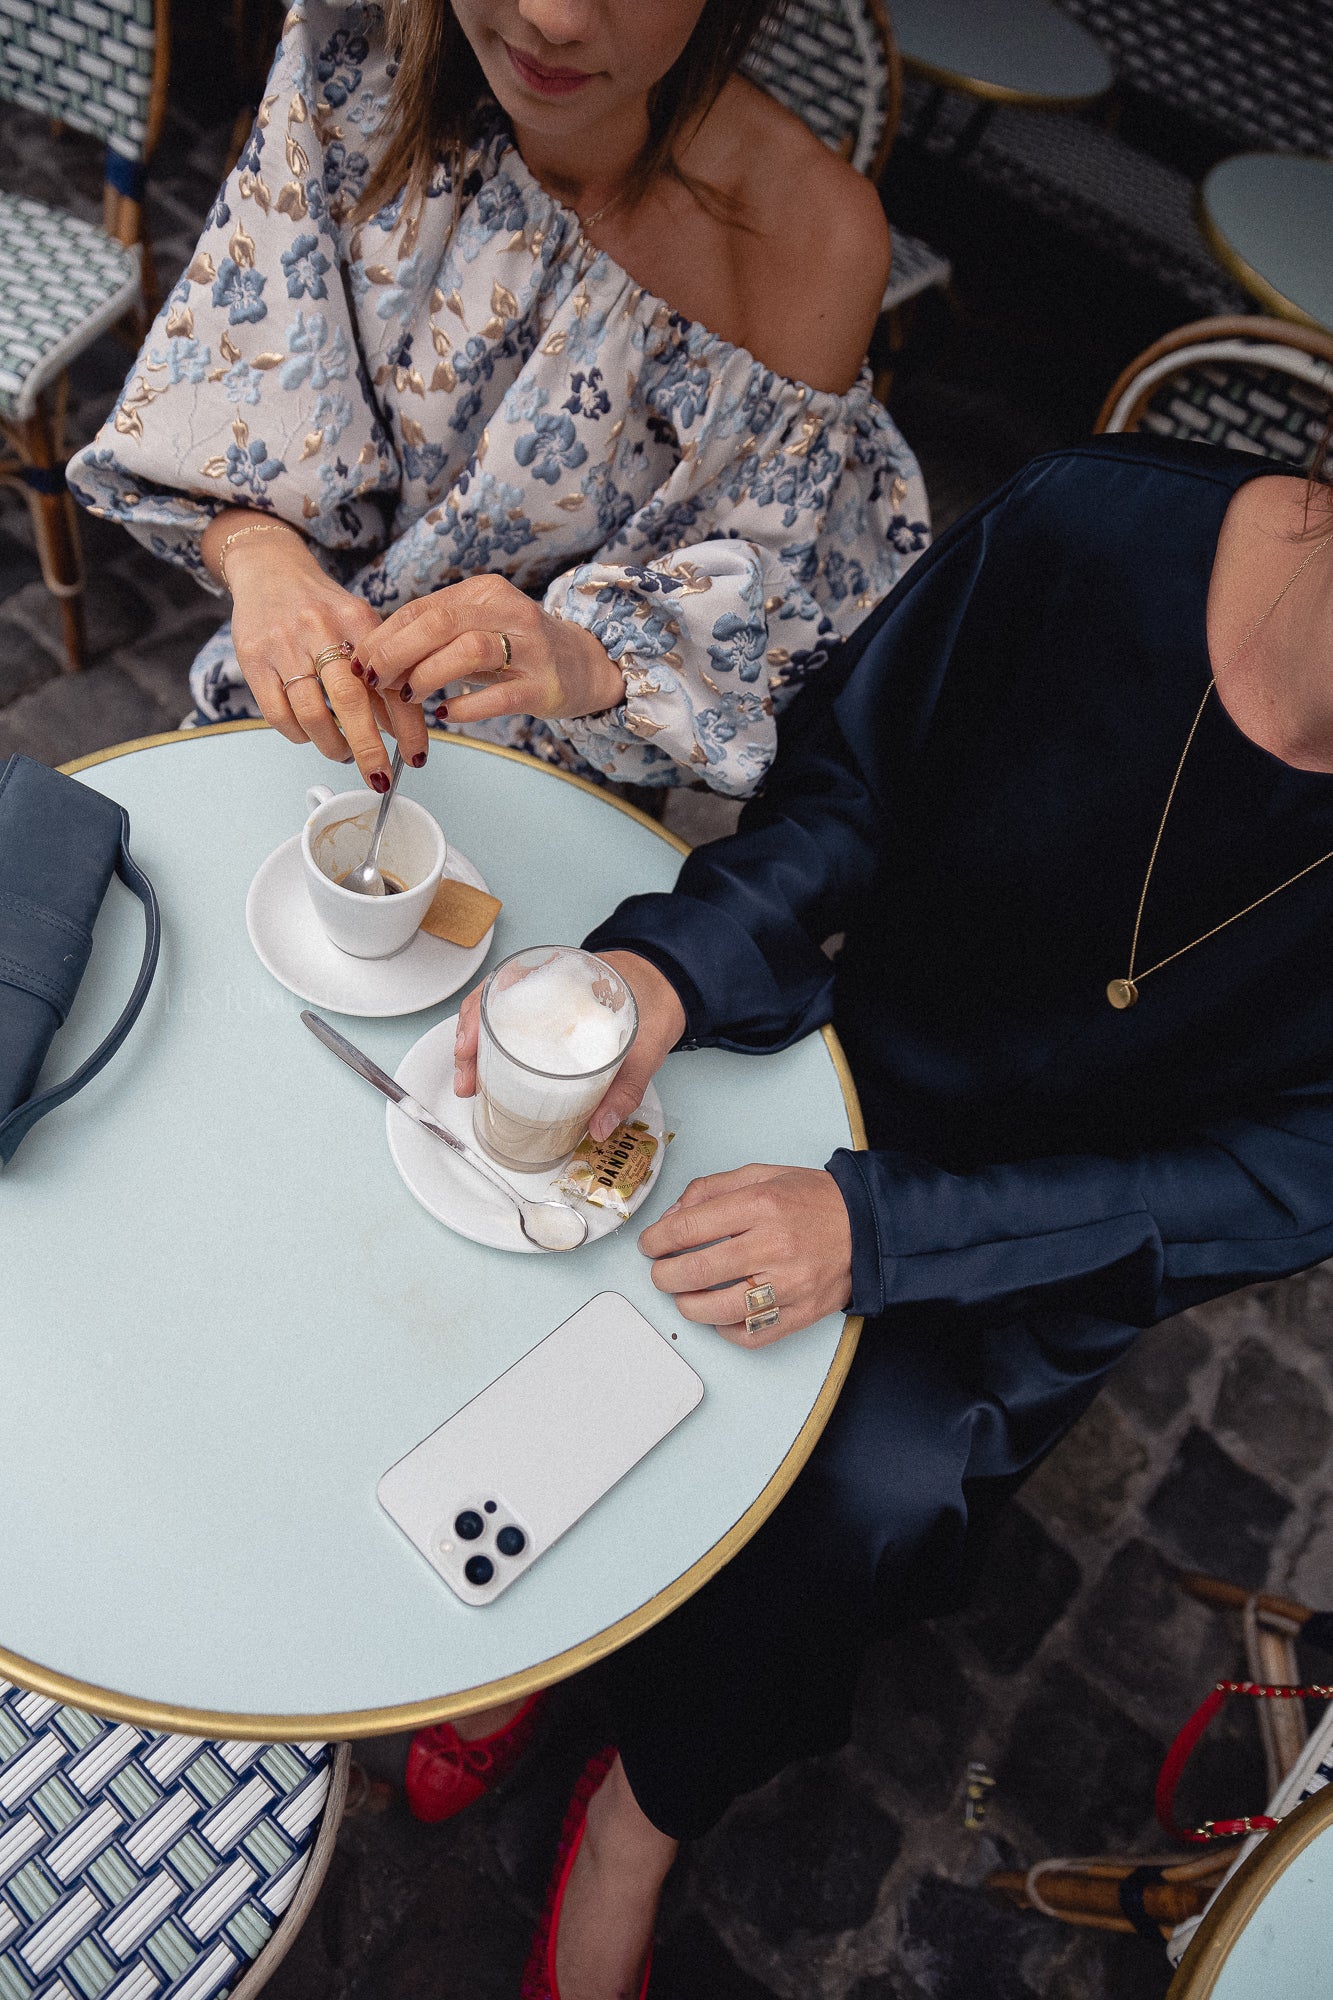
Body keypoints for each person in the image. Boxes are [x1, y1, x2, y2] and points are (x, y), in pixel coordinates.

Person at [449, 431, 1333, 2000]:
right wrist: (682, 968)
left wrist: (889, 1235)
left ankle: (640, 1818)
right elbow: (850, 788)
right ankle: (535, 1614)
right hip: (846, 1056)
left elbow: (1279, 1181)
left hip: (1060, 1240)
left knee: (871, 1492)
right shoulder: (1100, 526)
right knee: (593, 1226)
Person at [67, 0, 928, 798]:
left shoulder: (814, 244)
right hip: (296, 725)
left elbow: (766, 637)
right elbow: (223, 376)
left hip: (552, 804)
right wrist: (263, 560)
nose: (553, 17)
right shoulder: (360, 51)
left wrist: (588, 662)